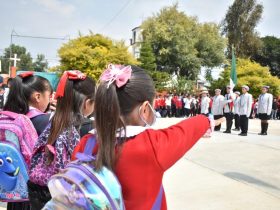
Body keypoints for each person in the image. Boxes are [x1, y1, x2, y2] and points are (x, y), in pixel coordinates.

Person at [71, 64, 223, 210]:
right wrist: (209, 121)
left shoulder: (86, 143)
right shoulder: (152, 145)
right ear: (145, 109)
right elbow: (187, 129)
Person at [27, 70, 95, 210]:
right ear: (87, 103)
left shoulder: (47, 120)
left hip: (40, 193)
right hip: (70, 198)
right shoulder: (90, 128)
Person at [3, 72, 53, 210]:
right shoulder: (46, 122)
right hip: (35, 193)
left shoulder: (10, 117)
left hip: (13, 190)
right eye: (48, 96)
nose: (50, 101)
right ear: (38, 96)